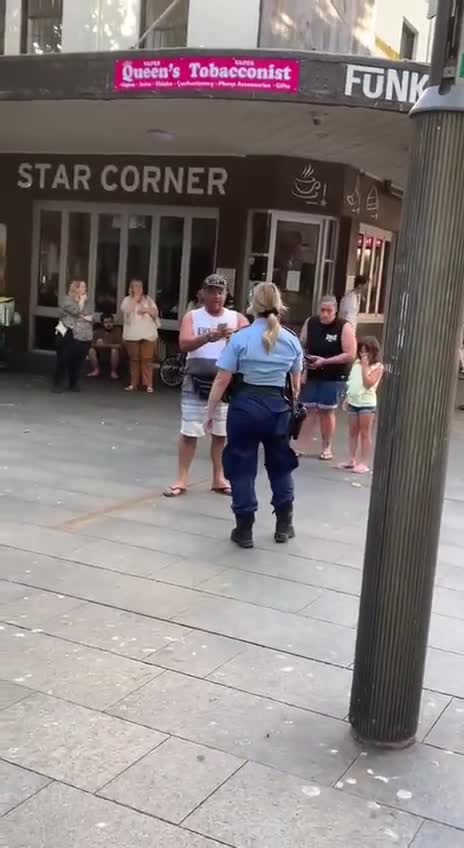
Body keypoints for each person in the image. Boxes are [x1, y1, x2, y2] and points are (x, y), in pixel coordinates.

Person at [206, 282, 303, 549]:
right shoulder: (292, 340)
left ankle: (244, 528)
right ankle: (284, 524)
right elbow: (296, 384)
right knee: (280, 465)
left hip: (245, 407)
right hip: (278, 409)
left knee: (241, 467)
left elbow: (222, 380)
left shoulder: (240, 338)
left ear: (253, 305)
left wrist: (210, 412)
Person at [164, 274, 248, 498]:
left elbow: (251, 343)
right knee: (189, 431)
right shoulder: (192, 317)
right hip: (195, 381)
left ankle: (219, 478)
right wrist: (207, 338)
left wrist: (236, 337)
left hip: (224, 385)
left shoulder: (236, 317)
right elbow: (183, 344)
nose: (216, 295)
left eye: (220, 291)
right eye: (211, 291)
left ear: (226, 294)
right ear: (203, 293)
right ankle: (182, 478)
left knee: (220, 434)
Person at [294, 295, 357, 460]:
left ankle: (326, 446)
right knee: (308, 410)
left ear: (335, 311)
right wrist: (305, 363)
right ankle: (300, 446)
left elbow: (350, 354)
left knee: (327, 411)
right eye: (322, 310)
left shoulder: (343, 327)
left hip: (334, 375)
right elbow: (301, 344)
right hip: (313, 371)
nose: (325, 314)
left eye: (329, 311)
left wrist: (326, 362)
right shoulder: (311, 323)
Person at [338, 336, 384, 474]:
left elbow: (368, 383)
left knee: (365, 432)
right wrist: (348, 396)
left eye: (367, 352)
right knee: (352, 432)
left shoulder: (378, 367)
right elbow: (353, 381)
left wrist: (365, 367)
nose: (364, 355)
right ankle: (351, 459)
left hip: (366, 403)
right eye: (361, 352)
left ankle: (364, 462)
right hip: (354, 401)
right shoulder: (356, 364)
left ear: (373, 352)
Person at [52, 280, 93, 393]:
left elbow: (89, 315)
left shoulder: (87, 301)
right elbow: (75, 311)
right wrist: (81, 305)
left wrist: (81, 312)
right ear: (76, 288)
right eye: (83, 287)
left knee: (78, 359)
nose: (85, 289)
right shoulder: (67, 300)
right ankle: (57, 383)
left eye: (85, 286)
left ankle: (73, 383)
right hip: (67, 332)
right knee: (63, 359)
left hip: (82, 333)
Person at [120, 280, 159, 393]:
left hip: (147, 334)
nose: (137, 289)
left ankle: (148, 384)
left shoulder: (148, 299)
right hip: (132, 334)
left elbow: (155, 313)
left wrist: (145, 309)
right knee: (134, 359)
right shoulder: (127, 300)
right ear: (131, 288)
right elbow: (126, 311)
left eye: (139, 286)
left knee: (147, 359)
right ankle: (133, 384)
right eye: (135, 286)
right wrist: (135, 300)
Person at [87, 313, 122, 380]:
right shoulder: (97, 332)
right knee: (91, 350)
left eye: (110, 322)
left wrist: (105, 345)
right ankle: (96, 370)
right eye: (106, 322)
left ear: (113, 322)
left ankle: (113, 372)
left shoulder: (118, 330)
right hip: (101, 354)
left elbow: (119, 345)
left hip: (115, 355)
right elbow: (91, 344)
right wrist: (97, 344)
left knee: (114, 350)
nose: (108, 324)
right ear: (102, 323)